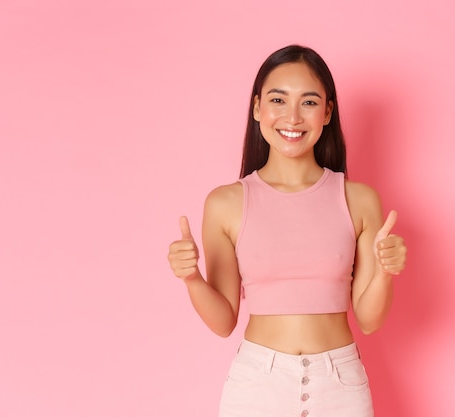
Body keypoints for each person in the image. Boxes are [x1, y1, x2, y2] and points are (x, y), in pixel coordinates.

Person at [167, 44, 406, 417]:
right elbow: (223, 321)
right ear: (257, 107)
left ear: (327, 112)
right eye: (278, 99)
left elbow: (370, 320)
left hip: (339, 385)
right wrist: (191, 279)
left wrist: (386, 273)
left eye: (309, 102)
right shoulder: (225, 203)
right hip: (257, 386)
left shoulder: (358, 200)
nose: (292, 117)